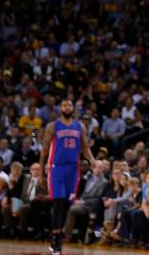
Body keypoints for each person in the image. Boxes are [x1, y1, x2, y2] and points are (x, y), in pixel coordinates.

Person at [40, 98, 95, 255]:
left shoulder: (80, 127)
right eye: (64, 104)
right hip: (57, 168)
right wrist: (42, 175)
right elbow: (44, 150)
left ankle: (55, 234)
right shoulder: (52, 126)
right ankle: (57, 240)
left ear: (73, 108)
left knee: (66, 204)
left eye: (70, 104)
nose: (67, 107)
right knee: (57, 203)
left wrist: (92, 160)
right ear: (60, 108)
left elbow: (85, 148)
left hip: (73, 169)